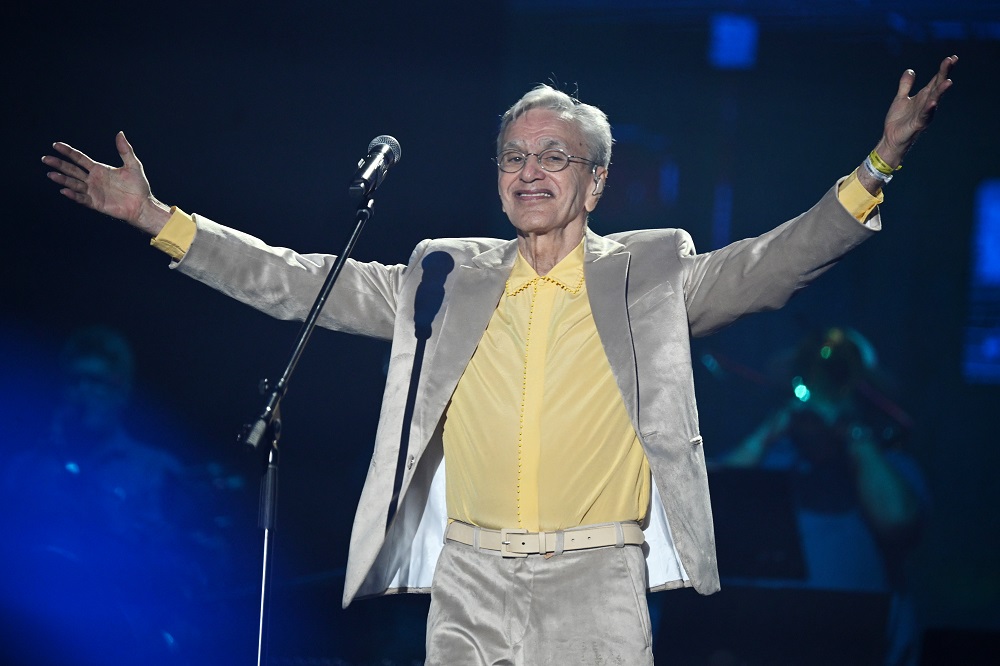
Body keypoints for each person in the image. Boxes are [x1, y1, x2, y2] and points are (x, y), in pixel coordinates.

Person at [42, 56, 957, 664]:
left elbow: (771, 266)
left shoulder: (647, 276)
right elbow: (299, 282)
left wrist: (876, 164)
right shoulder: (447, 278)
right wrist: (159, 221)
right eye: (513, 156)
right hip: (472, 576)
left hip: (593, 579)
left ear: (595, 181)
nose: (529, 172)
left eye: (554, 157)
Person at [0, 326, 242, 665]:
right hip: (31, 635)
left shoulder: (155, 470)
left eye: (97, 382)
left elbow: (194, 568)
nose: (84, 392)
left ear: (122, 391)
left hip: (122, 640)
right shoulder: (25, 468)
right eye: (75, 381)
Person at [717, 327, 929, 665]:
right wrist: (767, 434)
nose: (823, 389)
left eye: (837, 376)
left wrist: (852, 431)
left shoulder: (893, 466)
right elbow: (708, 506)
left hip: (861, 651)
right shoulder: (771, 461)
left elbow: (897, 521)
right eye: (815, 376)